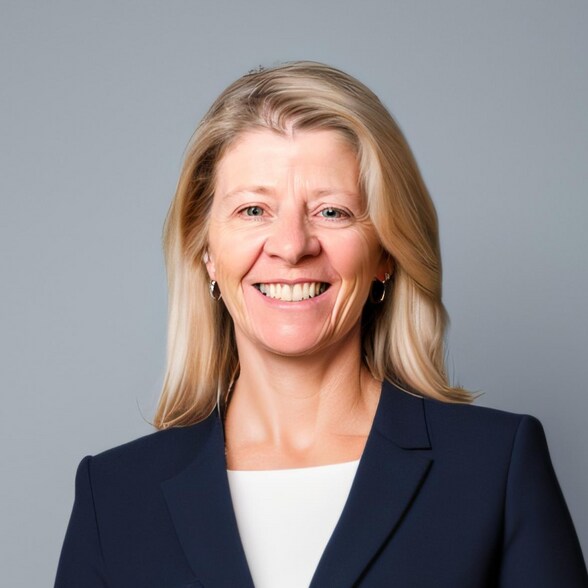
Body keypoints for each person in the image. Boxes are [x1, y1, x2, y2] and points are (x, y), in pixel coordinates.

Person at [54, 61, 588, 587]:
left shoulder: (494, 467)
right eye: (253, 210)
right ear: (206, 251)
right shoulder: (115, 496)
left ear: (385, 253)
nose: (291, 246)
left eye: (331, 211)